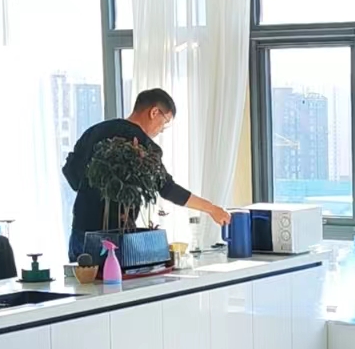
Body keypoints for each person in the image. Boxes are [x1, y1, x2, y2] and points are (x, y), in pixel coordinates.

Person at [63, 88, 230, 259]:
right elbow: (168, 189)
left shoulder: (95, 131)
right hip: (116, 239)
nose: (162, 130)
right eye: (165, 122)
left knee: (80, 277)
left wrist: (92, 194)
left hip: (80, 230)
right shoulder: (144, 146)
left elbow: (71, 171)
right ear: (154, 112)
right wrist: (212, 209)